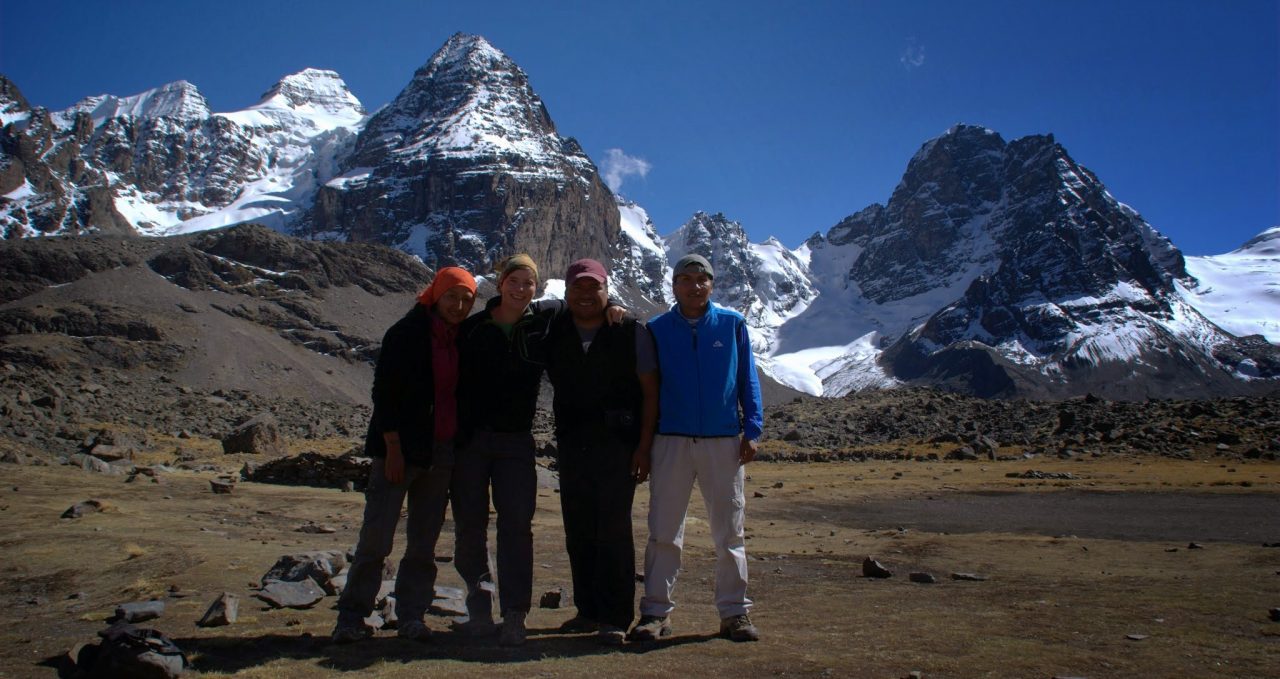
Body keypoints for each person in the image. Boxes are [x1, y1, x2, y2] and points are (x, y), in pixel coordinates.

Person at [451, 254, 625, 646]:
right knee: (470, 527)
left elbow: (579, 304)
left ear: (536, 287)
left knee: (516, 528)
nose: (521, 288)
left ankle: (515, 613)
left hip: (515, 441)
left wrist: (613, 305)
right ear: (500, 284)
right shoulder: (473, 328)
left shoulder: (543, 323)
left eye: (528, 282)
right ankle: (479, 609)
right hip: (470, 442)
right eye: (514, 280)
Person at [332, 266, 478, 644]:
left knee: (423, 542)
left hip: (440, 454)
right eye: (452, 296)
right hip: (399, 451)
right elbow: (384, 394)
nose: (459, 305)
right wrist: (392, 448)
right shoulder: (406, 333)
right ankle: (351, 616)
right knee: (377, 539)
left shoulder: (463, 338)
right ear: (436, 294)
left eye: (467, 300)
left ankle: (412, 616)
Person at [629, 253, 764, 643]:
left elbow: (746, 378)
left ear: (712, 284)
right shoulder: (656, 329)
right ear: (674, 286)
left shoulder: (733, 324)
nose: (694, 286)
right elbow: (646, 389)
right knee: (664, 531)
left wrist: (752, 428)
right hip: (670, 439)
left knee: (729, 532)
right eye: (685, 279)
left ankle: (734, 613)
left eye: (701, 278)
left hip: (723, 441)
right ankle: (655, 613)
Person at [544, 259, 658, 645]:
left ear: (607, 291)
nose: (586, 295)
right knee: (578, 528)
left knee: (612, 529)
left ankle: (615, 615)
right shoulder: (554, 328)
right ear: (566, 291)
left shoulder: (628, 330)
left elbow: (649, 392)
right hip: (573, 444)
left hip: (618, 446)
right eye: (578, 288)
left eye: (594, 288)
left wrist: (645, 446)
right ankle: (587, 610)